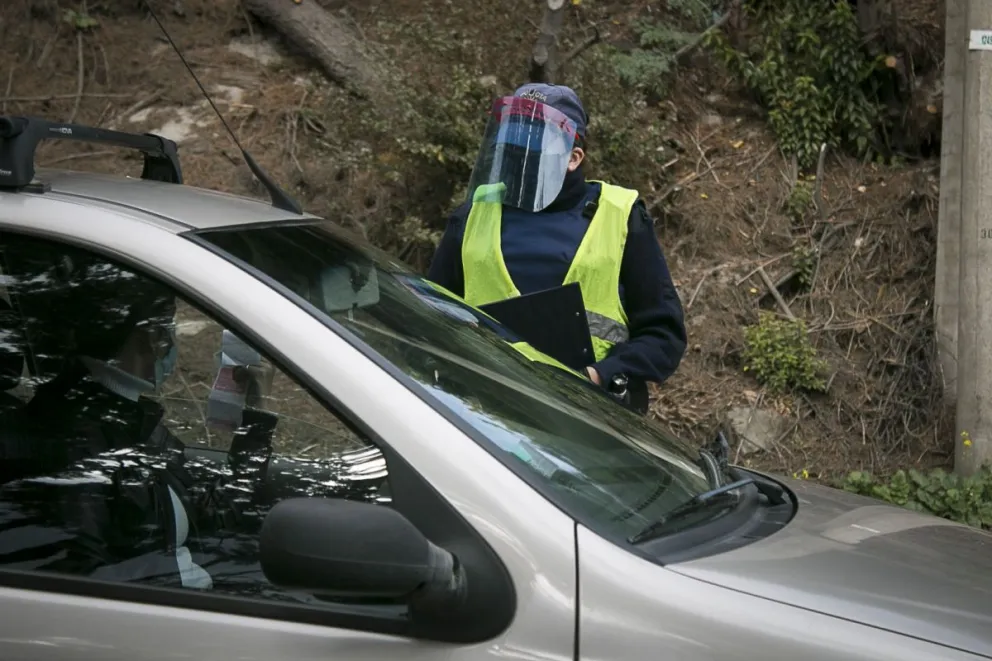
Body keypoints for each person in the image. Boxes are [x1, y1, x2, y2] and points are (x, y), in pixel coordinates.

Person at [427, 83, 687, 414]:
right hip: (485, 419)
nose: (519, 153)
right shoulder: (472, 216)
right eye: (514, 141)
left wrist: (600, 375)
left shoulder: (621, 215)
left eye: (533, 143)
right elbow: (431, 318)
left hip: (587, 423)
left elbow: (664, 336)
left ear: (573, 158)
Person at [0, 239, 212, 587]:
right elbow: (86, 582)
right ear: (149, 336)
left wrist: (252, 424)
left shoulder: (128, 418)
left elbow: (203, 505)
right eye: (168, 325)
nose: (171, 341)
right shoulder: (72, 442)